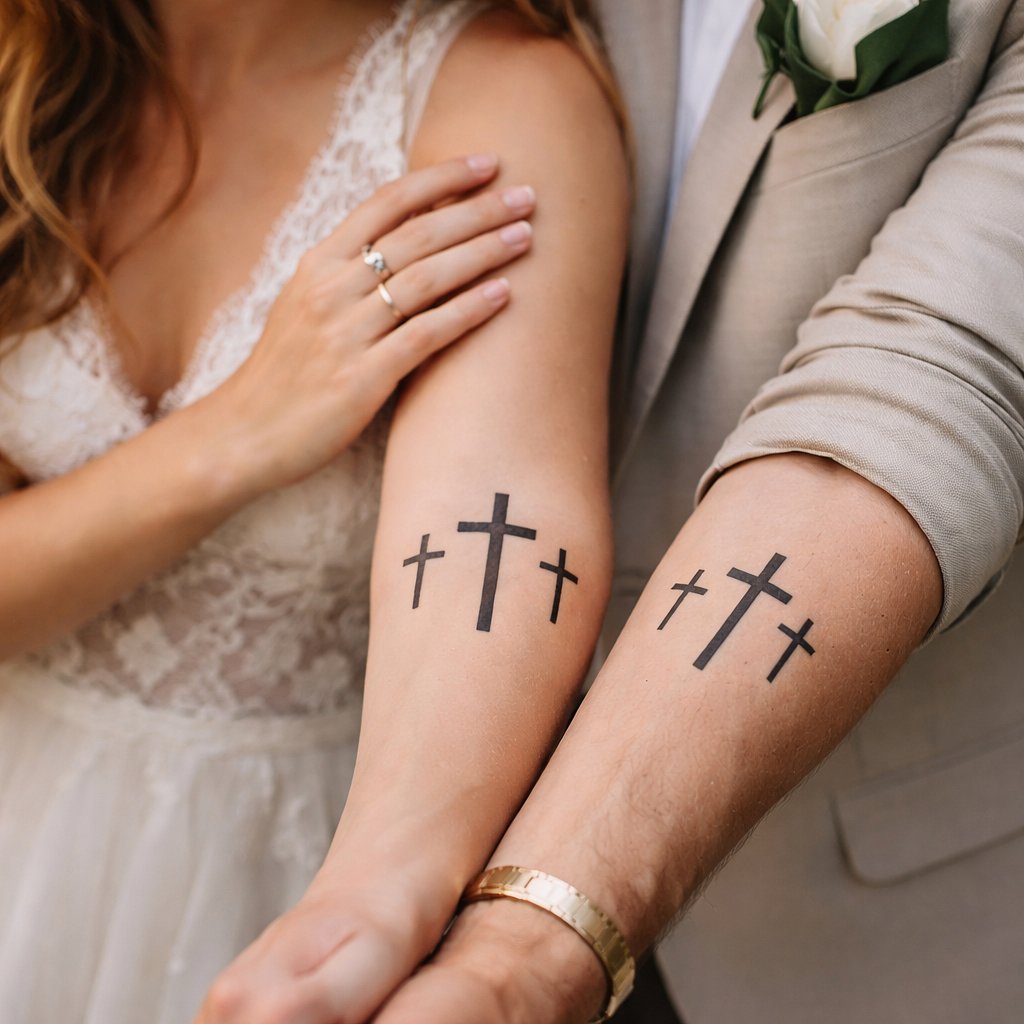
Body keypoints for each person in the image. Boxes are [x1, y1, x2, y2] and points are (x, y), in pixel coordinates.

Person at [359, 1, 1024, 1022]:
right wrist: (383, 871)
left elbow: (936, 368)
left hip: (859, 909)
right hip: (383, 777)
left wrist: (521, 953)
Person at [0, 1, 628, 1022]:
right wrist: (237, 432)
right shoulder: (24, 76)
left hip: (293, 874)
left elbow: (508, 528)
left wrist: (385, 900)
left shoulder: (494, 103)